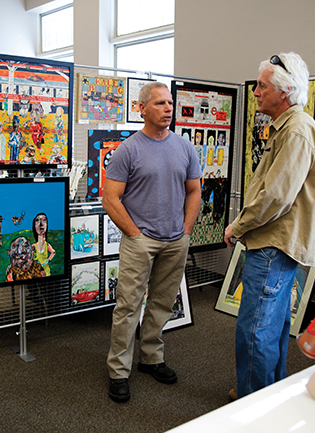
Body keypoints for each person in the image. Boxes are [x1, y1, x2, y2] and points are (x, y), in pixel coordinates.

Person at [223, 52, 315, 400]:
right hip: (276, 245)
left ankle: (253, 405)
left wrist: (238, 226)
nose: (255, 92)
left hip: (272, 246)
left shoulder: (296, 131)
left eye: (262, 86)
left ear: (285, 91)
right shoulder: (291, 127)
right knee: (275, 328)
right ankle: (267, 398)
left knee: (255, 331)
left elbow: (275, 196)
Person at [103, 81, 202, 403]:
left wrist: (186, 231)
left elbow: (194, 191)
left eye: (169, 103)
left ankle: (151, 358)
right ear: (142, 108)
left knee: (161, 304)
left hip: (176, 240)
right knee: (128, 307)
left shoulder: (185, 147)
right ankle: (118, 370)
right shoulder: (128, 150)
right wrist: (134, 234)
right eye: (159, 103)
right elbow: (110, 198)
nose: (168, 108)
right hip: (140, 241)